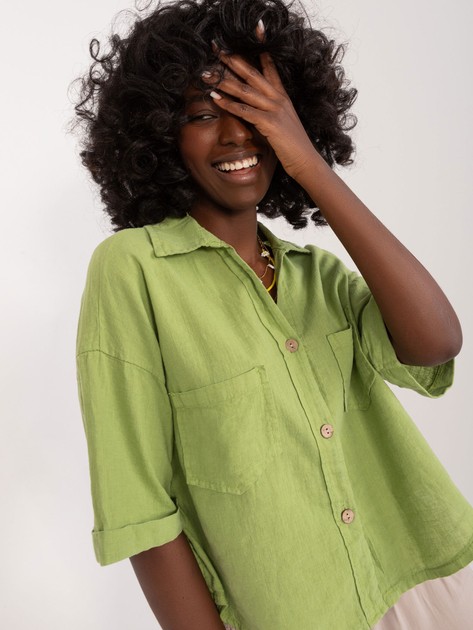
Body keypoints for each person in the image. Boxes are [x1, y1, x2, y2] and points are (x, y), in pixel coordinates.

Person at [73, 0, 473, 628]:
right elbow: (140, 509)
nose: (236, 135)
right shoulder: (133, 272)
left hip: (422, 584)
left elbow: (436, 342)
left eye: (258, 114)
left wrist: (310, 163)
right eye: (203, 115)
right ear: (157, 133)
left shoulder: (321, 277)